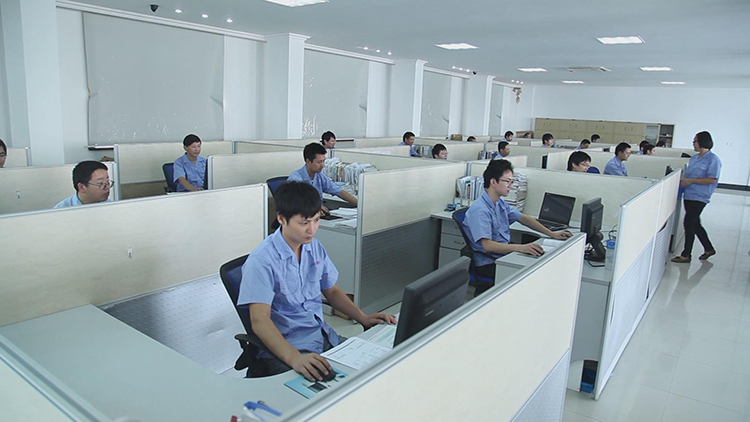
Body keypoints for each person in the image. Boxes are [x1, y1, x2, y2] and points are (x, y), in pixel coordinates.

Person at [238, 181, 396, 380]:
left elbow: (332, 291)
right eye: (304, 223)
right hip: (288, 349)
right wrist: (295, 358)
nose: (311, 230)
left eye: (316, 220)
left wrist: (363, 318)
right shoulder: (262, 261)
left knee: (376, 369)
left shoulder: (314, 247)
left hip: (322, 336)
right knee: (333, 390)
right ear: (282, 219)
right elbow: (259, 320)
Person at [462, 159, 572, 295]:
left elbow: (523, 218)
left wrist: (552, 233)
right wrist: (521, 247)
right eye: (507, 181)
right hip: (489, 261)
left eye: (511, 181)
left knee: (538, 259)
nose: (510, 186)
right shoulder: (480, 210)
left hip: (502, 252)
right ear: (493, 182)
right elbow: (487, 246)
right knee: (531, 272)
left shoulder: (499, 203)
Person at [671, 131, 721, 263]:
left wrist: (691, 181)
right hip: (689, 194)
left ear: (702, 142)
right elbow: (689, 174)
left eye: (695, 141)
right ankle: (709, 248)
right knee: (695, 223)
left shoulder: (713, 159)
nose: (693, 144)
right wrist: (684, 179)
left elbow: (712, 179)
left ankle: (686, 254)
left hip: (700, 196)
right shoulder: (694, 158)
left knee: (688, 223)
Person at [288, 143, 358, 208]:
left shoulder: (319, 176)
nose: (322, 165)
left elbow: (339, 191)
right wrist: (317, 208)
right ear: (308, 161)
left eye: (323, 161)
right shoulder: (295, 179)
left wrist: (359, 204)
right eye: (319, 162)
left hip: (317, 214)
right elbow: (295, 203)